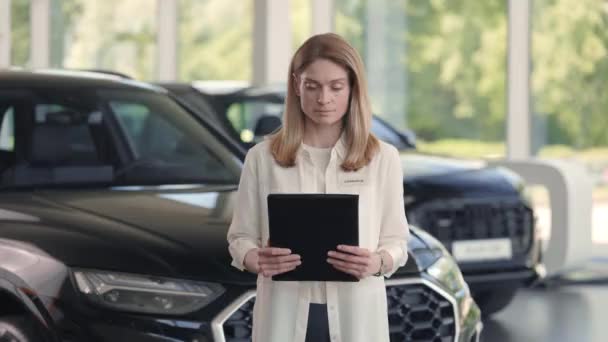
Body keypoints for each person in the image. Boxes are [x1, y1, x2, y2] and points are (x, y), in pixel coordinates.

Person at [227, 33, 409, 342]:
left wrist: (378, 262)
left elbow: (397, 242)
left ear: (353, 88)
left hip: (357, 317)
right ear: (297, 84)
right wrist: (251, 257)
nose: (324, 99)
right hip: (283, 316)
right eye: (312, 86)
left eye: (336, 87)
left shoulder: (383, 158)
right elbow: (239, 237)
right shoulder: (262, 158)